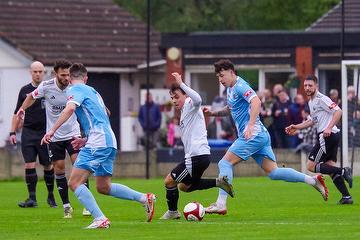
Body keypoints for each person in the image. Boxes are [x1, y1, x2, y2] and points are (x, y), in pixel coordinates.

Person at [204, 59, 328, 215]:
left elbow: (256, 102)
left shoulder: (241, 86)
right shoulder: (230, 88)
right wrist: (214, 113)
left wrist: (249, 125)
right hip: (260, 135)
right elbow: (231, 108)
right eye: (218, 77)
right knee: (274, 172)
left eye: (222, 76)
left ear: (231, 72)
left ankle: (220, 204)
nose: (220, 80)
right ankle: (313, 180)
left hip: (253, 135)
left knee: (225, 163)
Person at [41, 63, 155, 229]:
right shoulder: (93, 91)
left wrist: (52, 130)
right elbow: (105, 114)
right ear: (86, 78)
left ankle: (100, 219)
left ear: (71, 78)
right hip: (108, 140)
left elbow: (69, 109)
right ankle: (145, 198)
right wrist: (86, 138)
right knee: (103, 186)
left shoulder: (74, 90)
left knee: (74, 183)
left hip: (98, 141)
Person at [17, 59, 90, 218]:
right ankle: (66, 206)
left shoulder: (74, 86)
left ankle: (87, 205)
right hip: (55, 136)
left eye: (68, 74)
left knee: (79, 164)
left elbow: (89, 97)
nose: (66, 78)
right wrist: (22, 109)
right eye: (63, 75)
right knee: (59, 168)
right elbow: (31, 96)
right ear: (55, 74)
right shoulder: (46, 86)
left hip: (73, 133)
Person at [160, 72, 233, 219]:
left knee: (169, 181)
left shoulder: (190, 104)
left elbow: (198, 99)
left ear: (185, 95)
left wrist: (181, 84)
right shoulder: (186, 110)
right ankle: (219, 182)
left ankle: (173, 213)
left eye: (177, 97)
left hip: (196, 156)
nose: (174, 101)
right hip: (201, 156)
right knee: (184, 187)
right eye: (172, 98)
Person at [286, 75, 353, 204]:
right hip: (331, 136)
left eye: (310, 85)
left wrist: (328, 127)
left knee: (311, 166)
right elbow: (313, 120)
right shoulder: (311, 102)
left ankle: (344, 171)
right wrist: (296, 126)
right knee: (329, 167)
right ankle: (346, 197)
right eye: (305, 85)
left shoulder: (322, 98)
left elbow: (338, 111)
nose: (307, 88)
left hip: (327, 135)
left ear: (316, 86)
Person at [9, 61, 56, 208]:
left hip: (45, 132)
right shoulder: (24, 91)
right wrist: (12, 131)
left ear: (44, 72)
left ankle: (51, 196)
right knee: (29, 164)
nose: (37, 74)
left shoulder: (49, 89)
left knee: (47, 165)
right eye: (35, 71)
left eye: (40, 71)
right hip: (28, 132)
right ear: (31, 72)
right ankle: (32, 199)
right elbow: (17, 113)